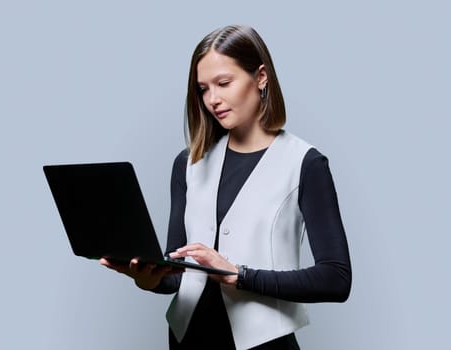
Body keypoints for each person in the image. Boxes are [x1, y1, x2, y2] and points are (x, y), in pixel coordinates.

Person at [100, 24, 352, 350]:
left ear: (261, 77)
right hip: (186, 339)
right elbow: (179, 271)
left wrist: (240, 275)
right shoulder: (187, 163)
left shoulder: (305, 163)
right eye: (203, 89)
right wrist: (151, 280)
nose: (212, 99)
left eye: (223, 83)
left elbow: (336, 279)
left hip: (263, 345)